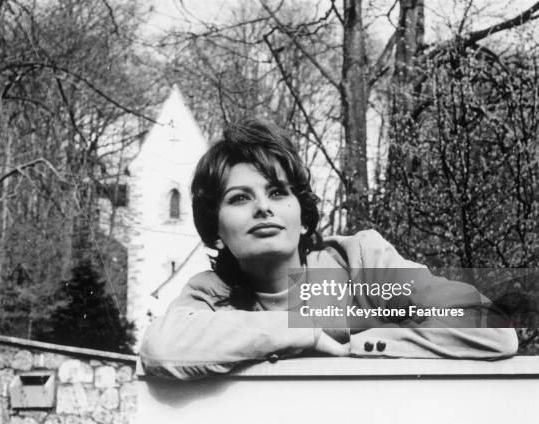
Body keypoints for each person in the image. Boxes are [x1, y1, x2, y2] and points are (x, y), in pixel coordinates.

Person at [140, 118, 519, 380]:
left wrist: (357, 349)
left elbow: (490, 327)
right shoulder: (212, 292)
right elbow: (160, 347)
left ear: (303, 217)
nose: (263, 207)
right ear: (216, 232)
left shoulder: (361, 264)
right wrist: (307, 334)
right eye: (240, 198)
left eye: (277, 192)